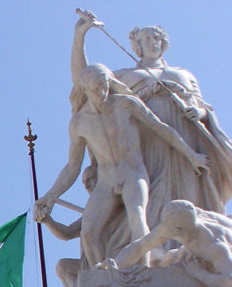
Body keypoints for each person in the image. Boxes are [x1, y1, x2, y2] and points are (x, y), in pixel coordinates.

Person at [34, 61, 208, 268]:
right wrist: (50, 197)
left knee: (137, 218)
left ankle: (143, 271)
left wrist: (191, 155)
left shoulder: (126, 104)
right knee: (89, 232)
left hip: (133, 173)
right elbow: (72, 167)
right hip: (106, 181)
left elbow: (161, 129)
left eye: (105, 84)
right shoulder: (79, 123)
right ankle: (104, 279)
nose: (103, 91)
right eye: (96, 88)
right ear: (85, 89)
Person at [72, 11, 232, 222]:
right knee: (154, 191)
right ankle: (156, 247)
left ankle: (192, 241)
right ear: (137, 46)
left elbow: (203, 106)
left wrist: (200, 113)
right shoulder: (126, 76)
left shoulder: (184, 74)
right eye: (147, 38)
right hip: (148, 136)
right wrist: (80, 36)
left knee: (191, 191)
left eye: (156, 37)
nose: (153, 42)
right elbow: (85, 80)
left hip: (187, 138)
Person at [105, 199, 232, 287]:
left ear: (180, 230)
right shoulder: (176, 221)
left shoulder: (215, 247)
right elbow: (141, 245)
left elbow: (229, 283)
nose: (165, 231)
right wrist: (116, 265)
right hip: (199, 250)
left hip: (225, 254)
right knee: (169, 259)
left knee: (178, 263)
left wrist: (199, 273)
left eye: (170, 229)